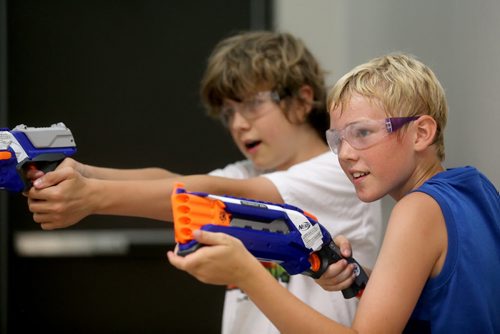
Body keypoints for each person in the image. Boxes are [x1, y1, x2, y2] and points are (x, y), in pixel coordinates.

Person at [26, 31, 383, 333]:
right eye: (228, 113)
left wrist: (91, 196)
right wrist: (81, 172)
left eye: (252, 105)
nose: (238, 124)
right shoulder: (248, 173)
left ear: (303, 100)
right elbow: (172, 181)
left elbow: (206, 193)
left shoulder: (337, 169)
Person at [167, 53, 500, 333]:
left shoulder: (417, 209)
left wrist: (246, 274)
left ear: (421, 133)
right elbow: (448, 300)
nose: (344, 154)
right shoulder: (476, 188)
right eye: (338, 140)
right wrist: (358, 275)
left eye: (362, 133)